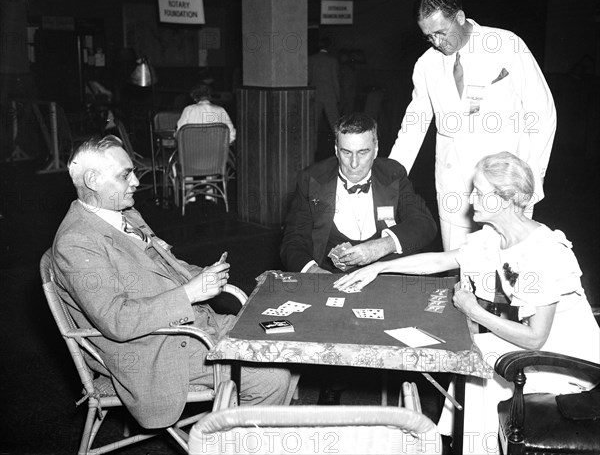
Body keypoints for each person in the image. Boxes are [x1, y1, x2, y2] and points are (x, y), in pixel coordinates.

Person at [334, 151, 600, 455]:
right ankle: (467, 446)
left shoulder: (543, 252)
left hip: (572, 364)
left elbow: (535, 337)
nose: (470, 199)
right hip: (540, 348)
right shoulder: (495, 238)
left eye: (479, 192)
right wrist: (379, 266)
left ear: (505, 198)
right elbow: (439, 260)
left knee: (478, 354)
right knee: (475, 352)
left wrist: (472, 310)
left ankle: (470, 446)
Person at [51, 135, 291, 430]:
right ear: (92, 180)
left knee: (287, 344)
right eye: (126, 174)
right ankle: (246, 442)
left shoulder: (124, 214)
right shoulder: (76, 241)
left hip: (190, 326)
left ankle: (260, 434)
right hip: (154, 352)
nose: (137, 181)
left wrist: (202, 275)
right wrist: (190, 292)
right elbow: (117, 320)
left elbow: (166, 265)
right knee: (272, 376)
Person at [389, 0, 556, 251]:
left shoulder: (506, 45)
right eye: (428, 36)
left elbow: (542, 112)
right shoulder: (426, 64)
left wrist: (532, 178)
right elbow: (414, 124)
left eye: (441, 33)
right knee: (460, 272)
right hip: (455, 188)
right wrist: (390, 177)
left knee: (508, 272)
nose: (437, 43)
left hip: (505, 187)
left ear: (459, 17)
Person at [281, 112, 437, 275]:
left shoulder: (393, 174)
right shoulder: (312, 179)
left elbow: (424, 224)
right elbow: (292, 241)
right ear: (336, 150)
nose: (354, 163)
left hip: (385, 273)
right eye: (346, 152)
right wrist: (314, 273)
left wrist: (384, 245)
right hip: (331, 275)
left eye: (363, 152)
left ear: (376, 150)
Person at [308, 37, 341, 160]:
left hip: (315, 95)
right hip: (329, 95)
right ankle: (340, 147)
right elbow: (335, 80)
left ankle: (312, 150)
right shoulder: (332, 61)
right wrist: (338, 96)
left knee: (313, 125)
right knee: (335, 124)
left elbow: (309, 79)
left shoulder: (311, 59)